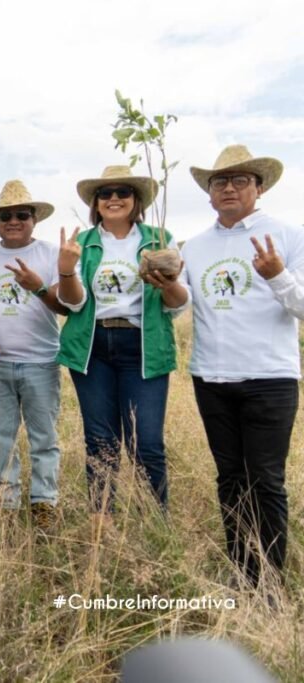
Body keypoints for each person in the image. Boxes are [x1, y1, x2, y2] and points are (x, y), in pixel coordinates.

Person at [182, 145, 303, 585]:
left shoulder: (290, 235)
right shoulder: (194, 247)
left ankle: (269, 582)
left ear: (260, 187)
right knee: (230, 478)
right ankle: (241, 569)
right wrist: (162, 283)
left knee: (266, 480)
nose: (229, 188)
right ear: (210, 194)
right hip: (211, 376)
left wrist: (276, 275)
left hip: (270, 377)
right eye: (220, 182)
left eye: (240, 180)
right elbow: (180, 307)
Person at [57, 165, 189, 517]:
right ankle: (103, 526)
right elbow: (74, 303)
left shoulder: (160, 239)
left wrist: (167, 283)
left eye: (122, 192)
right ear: (96, 203)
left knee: (145, 444)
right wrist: (66, 269)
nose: (114, 198)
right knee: (100, 444)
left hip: (142, 346)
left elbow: (178, 304)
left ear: (137, 200)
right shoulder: (81, 243)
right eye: (105, 193)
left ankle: (157, 525)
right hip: (92, 346)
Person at [0, 180, 67, 529]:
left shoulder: (52, 254)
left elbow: (63, 305)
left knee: (44, 437)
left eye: (21, 214)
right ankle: (5, 504)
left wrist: (36, 286)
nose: (14, 220)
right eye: (6, 215)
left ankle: (44, 503)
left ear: (33, 219)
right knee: (1, 435)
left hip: (41, 360)